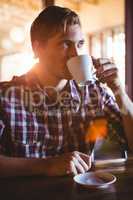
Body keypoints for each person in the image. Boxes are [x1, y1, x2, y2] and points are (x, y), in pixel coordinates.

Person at [0, 5, 133, 177]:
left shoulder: (94, 93)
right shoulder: (6, 97)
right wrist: (47, 166)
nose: (75, 54)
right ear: (37, 48)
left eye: (80, 44)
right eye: (65, 44)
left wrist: (118, 90)